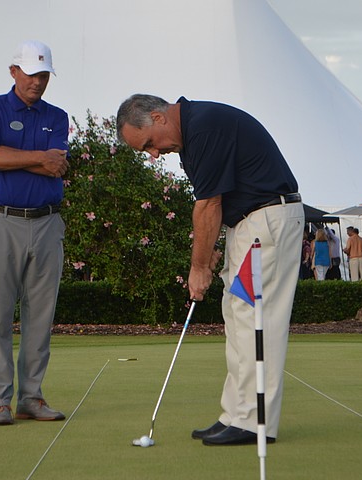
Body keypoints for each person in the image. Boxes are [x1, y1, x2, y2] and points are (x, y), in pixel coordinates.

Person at [116, 94, 304, 446]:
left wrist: (198, 267)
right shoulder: (193, 135)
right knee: (237, 317)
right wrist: (217, 246)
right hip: (248, 225)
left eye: (149, 145)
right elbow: (219, 200)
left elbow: (208, 205)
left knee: (255, 319)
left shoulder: (203, 127)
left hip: (267, 223)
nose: (154, 154)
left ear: (157, 117)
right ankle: (234, 414)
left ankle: (253, 422)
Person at [0, 40, 69, 426]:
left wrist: (1, 156)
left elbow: (55, 167)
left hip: (46, 223)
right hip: (0, 221)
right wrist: (33, 158)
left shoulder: (57, 117)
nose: (37, 82)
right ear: (14, 71)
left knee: (40, 317)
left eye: (43, 75)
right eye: (31, 74)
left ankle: (31, 397)